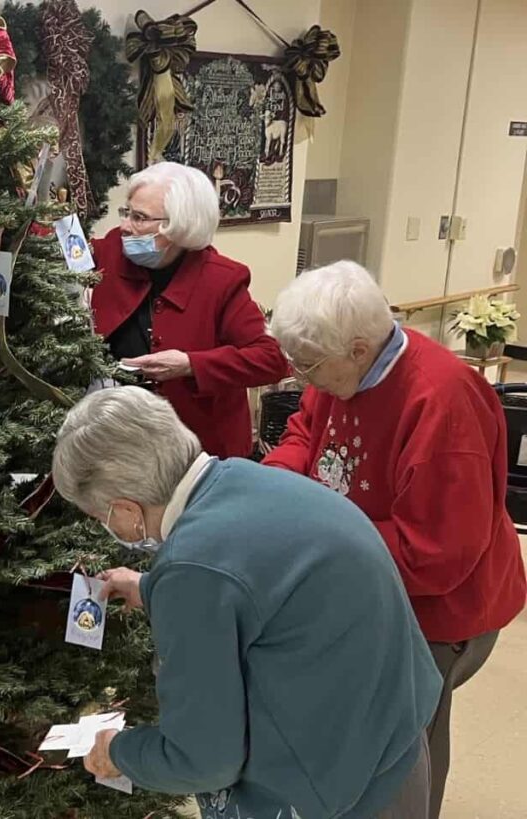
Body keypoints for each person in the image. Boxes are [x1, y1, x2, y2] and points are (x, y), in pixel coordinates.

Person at [51, 386, 441, 818]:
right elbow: (261, 584)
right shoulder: (244, 477)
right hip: (392, 735)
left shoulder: (190, 568)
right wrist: (149, 587)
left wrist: (119, 751)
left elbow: (203, 759)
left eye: (98, 515)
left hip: (340, 790)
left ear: (125, 510)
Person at [263, 260, 527, 819]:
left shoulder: (443, 403)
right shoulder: (338, 369)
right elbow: (305, 430)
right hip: (365, 580)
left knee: (406, 753)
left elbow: (435, 554)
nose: (301, 376)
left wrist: (315, 544)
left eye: (308, 364)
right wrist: (277, 487)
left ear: (360, 349)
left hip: (439, 612)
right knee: (368, 737)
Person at [88, 162, 288, 458]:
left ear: (179, 226)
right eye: (126, 212)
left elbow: (272, 360)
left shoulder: (221, 280)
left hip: (197, 447)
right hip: (120, 437)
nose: (126, 226)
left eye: (140, 218)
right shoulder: (111, 251)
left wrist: (191, 364)